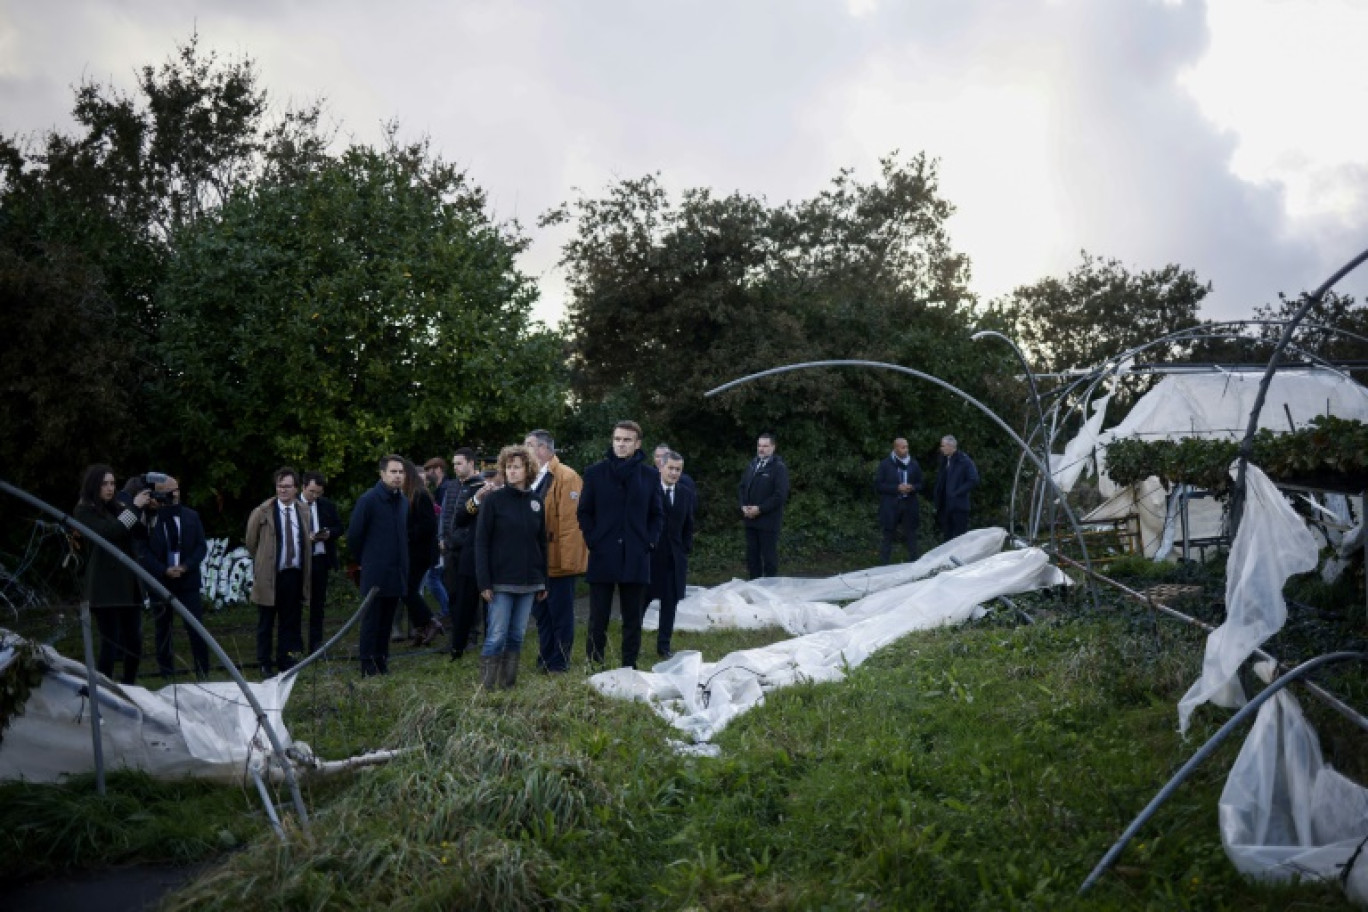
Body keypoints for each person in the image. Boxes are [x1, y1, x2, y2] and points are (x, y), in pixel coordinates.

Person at [578, 420, 664, 669]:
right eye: (617, 439)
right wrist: (593, 539)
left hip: (636, 554)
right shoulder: (595, 473)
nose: (621, 444)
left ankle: (629, 664)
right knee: (598, 617)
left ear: (637, 444)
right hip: (603, 553)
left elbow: (656, 514)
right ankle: (594, 663)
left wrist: (649, 541)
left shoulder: (649, 476)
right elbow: (584, 511)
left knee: (632, 617)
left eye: (627, 440)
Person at [474, 444, 547, 689]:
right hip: (501, 581)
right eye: (508, 467)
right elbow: (481, 542)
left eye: (517, 467)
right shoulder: (494, 500)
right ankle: (486, 689)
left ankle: (508, 685)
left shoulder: (536, 502)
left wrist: (543, 579)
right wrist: (484, 581)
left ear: (528, 470)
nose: (512, 471)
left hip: (529, 581)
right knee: (496, 635)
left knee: (517, 635)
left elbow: (541, 543)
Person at [73, 465, 151, 684]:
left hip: (127, 583)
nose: (109, 488)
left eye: (112, 483)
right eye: (104, 484)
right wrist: (134, 508)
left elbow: (139, 533)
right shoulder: (84, 511)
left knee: (134, 641)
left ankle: (129, 686)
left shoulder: (118, 507)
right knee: (111, 643)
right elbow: (110, 533)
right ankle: (105, 689)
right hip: (104, 587)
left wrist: (144, 510)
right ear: (93, 485)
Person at [525, 429, 588, 673]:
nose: (525, 450)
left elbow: (571, 524)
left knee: (560, 613)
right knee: (541, 613)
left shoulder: (566, 476)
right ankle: (546, 656)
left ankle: (559, 661)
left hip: (558, 560)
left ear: (543, 449)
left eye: (528, 445)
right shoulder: (532, 477)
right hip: (537, 559)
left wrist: (568, 562)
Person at [141, 475, 211, 678]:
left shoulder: (191, 516)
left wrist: (186, 566)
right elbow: (143, 551)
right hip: (161, 582)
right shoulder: (150, 520)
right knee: (163, 629)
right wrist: (164, 569)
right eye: (170, 492)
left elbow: (200, 547)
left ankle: (202, 670)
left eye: (177, 490)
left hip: (187, 581)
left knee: (196, 628)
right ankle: (166, 673)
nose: (176, 495)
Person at [245, 467, 312, 678]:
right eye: (279, 486)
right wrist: (265, 562)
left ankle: (286, 661)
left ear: (296, 488)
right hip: (270, 575)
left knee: (290, 621)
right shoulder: (262, 512)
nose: (283, 490)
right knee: (266, 622)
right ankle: (264, 662)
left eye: (287, 486)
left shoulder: (303, 510)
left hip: (293, 574)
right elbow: (251, 542)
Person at [348, 454, 410, 676]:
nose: (397, 476)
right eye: (393, 472)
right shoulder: (369, 500)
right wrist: (367, 560)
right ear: (382, 474)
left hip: (396, 571)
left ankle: (382, 660)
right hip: (375, 571)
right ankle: (367, 664)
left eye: (401, 472)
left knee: (387, 621)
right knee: (371, 621)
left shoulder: (402, 501)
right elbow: (354, 536)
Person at [648, 450, 695, 659]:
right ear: (661, 467)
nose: (674, 473)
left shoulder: (685, 493)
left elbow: (688, 526)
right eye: (671, 468)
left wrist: (684, 550)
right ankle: (631, 644)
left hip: (675, 560)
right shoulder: (649, 490)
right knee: (640, 602)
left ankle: (664, 646)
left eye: (678, 469)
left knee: (670, 604)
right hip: (650, 558)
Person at [441, 448, 486, 658]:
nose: (456, 467)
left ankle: (471, 635)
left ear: (470, 463)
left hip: (468, 548)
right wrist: (441, 537)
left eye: (459, 463)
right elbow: (444, 515)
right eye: (454, 464)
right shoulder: (450, 487)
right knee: (453, 592)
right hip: (450, 548)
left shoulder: (479, 486)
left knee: (469, 594)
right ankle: (456, 633)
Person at [401, 458, 445, 647]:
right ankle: (422, 627)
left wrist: (406, 534)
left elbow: (428, 525)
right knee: (407, 590)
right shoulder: (411, 494)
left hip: (420, 552)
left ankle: (430, 621)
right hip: (415, 551)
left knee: (407, 589)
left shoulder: (419, 495)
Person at [301, 472, 343, 654]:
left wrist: (328, 534)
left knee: (318, 604)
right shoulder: (292, 505)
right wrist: (305, 537)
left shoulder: (326, 505)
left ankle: (316, 644)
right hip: (299, 561)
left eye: (318, 493)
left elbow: (339, 527)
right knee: (295, 603)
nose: (314, 496)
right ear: (303, 487)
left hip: (320, 559)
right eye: (311, 492)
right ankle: (294, 645)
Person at [738, 432, 789, 579]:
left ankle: (770, 591)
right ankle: (755, 589)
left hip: (768, 522)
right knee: (752, 558)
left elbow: (780, 496)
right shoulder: (752, 465)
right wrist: (743, 506)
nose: (761, 449)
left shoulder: (779, 468)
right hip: (750, 520)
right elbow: (741, 487)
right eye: (759, 445)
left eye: (765, 446)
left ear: (773, 447)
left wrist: (760, 509)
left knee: (769, 559)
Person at [875, 437, 925, 563]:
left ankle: (914, 561)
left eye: (907, 447)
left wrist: (912, 488)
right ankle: (884, 563)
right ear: (895, 448)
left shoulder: (913, 464)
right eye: (903, 447)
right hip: (891, 505)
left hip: (909, 504)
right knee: (888, 533)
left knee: (911, 533)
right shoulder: (886, 464)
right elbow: (879, 485)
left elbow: (921, 484)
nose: (906, 450)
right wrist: (896, 488)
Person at [421, 457, 452, 621]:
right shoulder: (440, 489)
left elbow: (444, 517)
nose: (427, 474)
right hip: (439, 541)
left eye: (429, 470)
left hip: (440, 541)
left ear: (438, 469)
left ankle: (448, 611)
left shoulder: (445, 488)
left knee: (433, 579)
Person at [933, 434, 980, 541]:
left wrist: (957, 492)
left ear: (951, 446)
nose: (941, 448)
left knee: (959, 537)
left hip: (959, 506)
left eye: (943, 446)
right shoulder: (944, 461)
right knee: (947, 536)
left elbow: (973, 479)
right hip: (945, 505)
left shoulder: (963, 461)